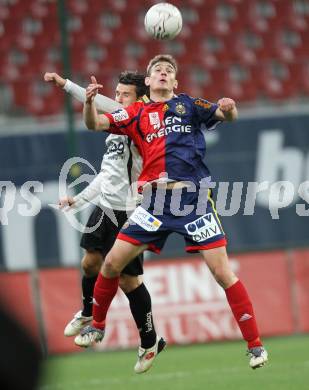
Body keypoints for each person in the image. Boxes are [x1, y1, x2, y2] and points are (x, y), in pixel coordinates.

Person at [76, 54, 268, 370]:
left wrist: (229, 108)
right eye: (157, 70)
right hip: (153, 204)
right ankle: (97, 326)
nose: (163, 73)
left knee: (222, 273)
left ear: (175, 82)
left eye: (169, 70)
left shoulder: (189, 105)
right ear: (148, 82)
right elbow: (95, 123)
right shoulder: (135, 112)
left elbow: (224, 114)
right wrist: (88, 102)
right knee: (110, 263)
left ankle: (255, 346)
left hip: (193, 202)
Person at [44, 71, 166, 374]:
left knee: (128, 281)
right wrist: (80, 199)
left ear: (140, 100)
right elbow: (107, 174)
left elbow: (106, 107)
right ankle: (88, 314)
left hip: (130, 211)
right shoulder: (117, 128)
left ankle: (150, 340)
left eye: (125, 94)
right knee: (89, 263)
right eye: (117, 92)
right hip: (105, 207)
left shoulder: (139, 122)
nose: (119, 98)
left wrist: (66, 86)